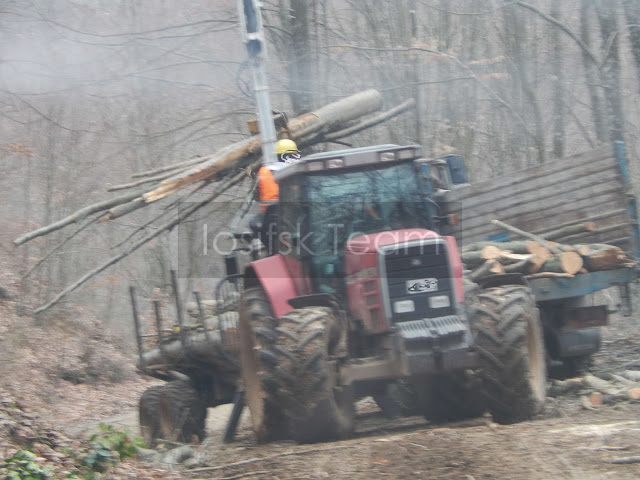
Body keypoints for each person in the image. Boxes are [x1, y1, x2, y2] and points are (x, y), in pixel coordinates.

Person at [253, 139, 300, 253]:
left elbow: (257, 195)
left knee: (254, 224)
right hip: (293, 213)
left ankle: (272, 251)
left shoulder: (264, 171)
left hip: (271, 214)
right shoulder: (295, 170)